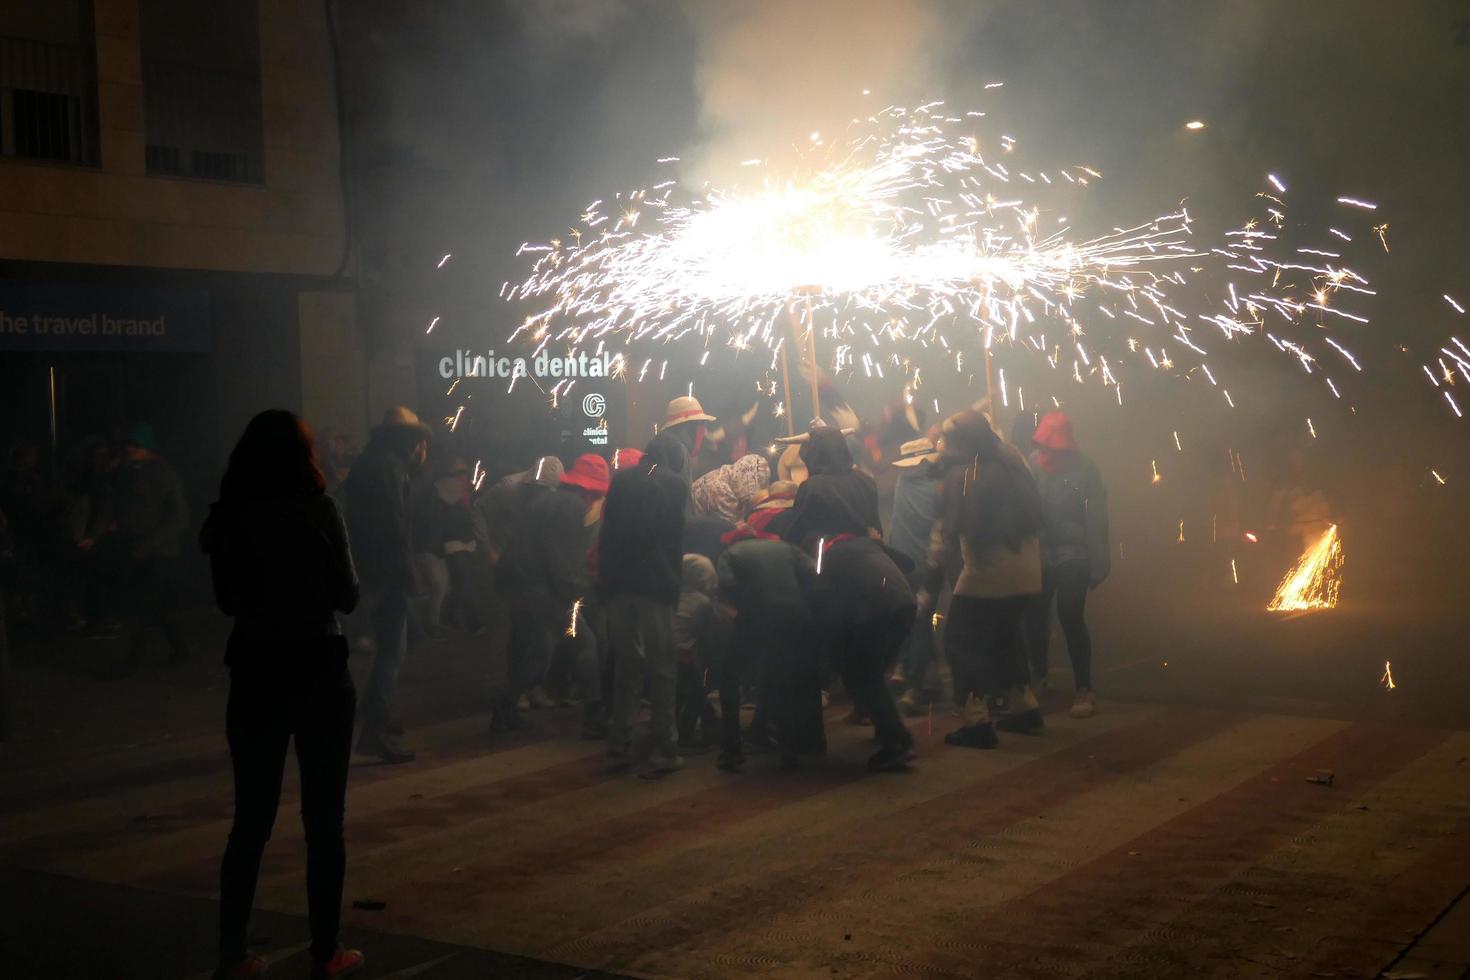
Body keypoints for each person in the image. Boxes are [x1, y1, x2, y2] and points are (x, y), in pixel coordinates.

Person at [200, 410, 363, 980]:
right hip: (319, 665)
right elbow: (347, 595)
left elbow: (225, 601)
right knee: (323, 819)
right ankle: (326, 951)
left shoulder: (227, 517)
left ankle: (232, 954)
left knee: (251, 820)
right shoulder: (319, 510)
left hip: (254, 668)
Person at [921, 410, 1044, 749]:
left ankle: (976, 722)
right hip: (1029, 571)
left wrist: (929, 588)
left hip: (989, 573)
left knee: (960, 642)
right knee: (1006, 637)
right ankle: (1025, 708)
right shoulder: (1013, 458)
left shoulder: (963, 478)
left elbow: (942, 539)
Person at [342, 406, 430, 764]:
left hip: (370, 565)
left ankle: (374, 713)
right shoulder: (389, 467)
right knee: (392, 650)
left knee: (396, 641)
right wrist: (408, 569)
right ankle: (374, 730)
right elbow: (397, 523)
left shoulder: (368, 463)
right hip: (387, 568)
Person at [597, 433, 688, 775]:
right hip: (656, 584)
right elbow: (674, 541)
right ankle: (665, 746)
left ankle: (618, 742)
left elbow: (608, 534)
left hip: (619, 584)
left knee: (627, 664)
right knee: (663, 666)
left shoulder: (620, 481)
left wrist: (604, 582)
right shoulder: (674, 485)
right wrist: (674, 588)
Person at [1024, 412, 1109, 718]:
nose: (1048, 453)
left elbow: (1096, 516)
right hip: (1042, 551)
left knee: (1070, 615)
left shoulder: (1085, 468)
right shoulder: (1033, 463)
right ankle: (1039, 677)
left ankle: (1084, 688)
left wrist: (1099, 561)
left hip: (1075, 551)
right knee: (1034, 616)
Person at [713, 527, 820, 772]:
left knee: (729, 675)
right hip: (795, 617)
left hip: (756, 616)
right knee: (781, 678)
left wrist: (745, 607)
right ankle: (788, 751)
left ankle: (731, 749)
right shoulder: (787, 547)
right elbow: (812, 574)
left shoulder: (730, 553)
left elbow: (727, 583)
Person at [811, 532, 918, 771]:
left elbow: (821, 595)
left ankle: (897, 742)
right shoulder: (868, 543)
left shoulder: (831, 555)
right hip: (905, 604)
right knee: (873, 673)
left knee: (863, 676)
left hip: (877, 610)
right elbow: (909, 563)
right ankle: (885, 727)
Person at [483, 455, 565, 722]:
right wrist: (489, 549)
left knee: (537, 635)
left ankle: (527, 687)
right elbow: (477, 508)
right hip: (512, 569)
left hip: (532, 571)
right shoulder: (508, 488)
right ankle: (516, 692)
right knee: (523, 633)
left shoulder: (549, 500)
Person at [537, 453, 610, 735]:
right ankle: (593, 712)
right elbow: (559, 561)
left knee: (591, 638)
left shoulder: (555, 501)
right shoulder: (567, 508)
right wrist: (578, 592)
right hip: (548, 589)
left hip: (552, 587)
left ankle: (560, 689)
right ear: (587, 490)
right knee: (586, 643)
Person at [110, 422, 191, 674]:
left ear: (146, 447)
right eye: (129, 445)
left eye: (135, 445)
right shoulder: (133, 472)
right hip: (146, 549)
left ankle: (132, 661)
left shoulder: (163, 473)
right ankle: (180, 650)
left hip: (160, 552)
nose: (130, 449)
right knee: (162, 605)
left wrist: (148, 543)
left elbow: (179, 516)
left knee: (144, 605)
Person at [887, 436, 945, 714]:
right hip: (929, 563)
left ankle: (916, 677)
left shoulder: (902, 484)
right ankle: (917, 685)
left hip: (902, 561)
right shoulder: (937, 488)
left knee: (915, 620)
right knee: (922, 621)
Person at [782, 424, 881, 548]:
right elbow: (876, 527)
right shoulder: (865, 480)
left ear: (814, 453)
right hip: (870, 551)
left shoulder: (812, 487)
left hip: (831, 557)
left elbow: (799, 530)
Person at [673, 553, 723, 751]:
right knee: (695, 694)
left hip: (662, 652)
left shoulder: (674, 596)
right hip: (685, 656)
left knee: (676, 695)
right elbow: (708, 637)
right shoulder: (703, 602)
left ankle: (670, 731)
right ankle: (686, 735)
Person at [658, 395, 716, 481]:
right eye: (699, 424)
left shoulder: (707, 452)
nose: (702, 430)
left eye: (703, 423)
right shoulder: (670, 460)